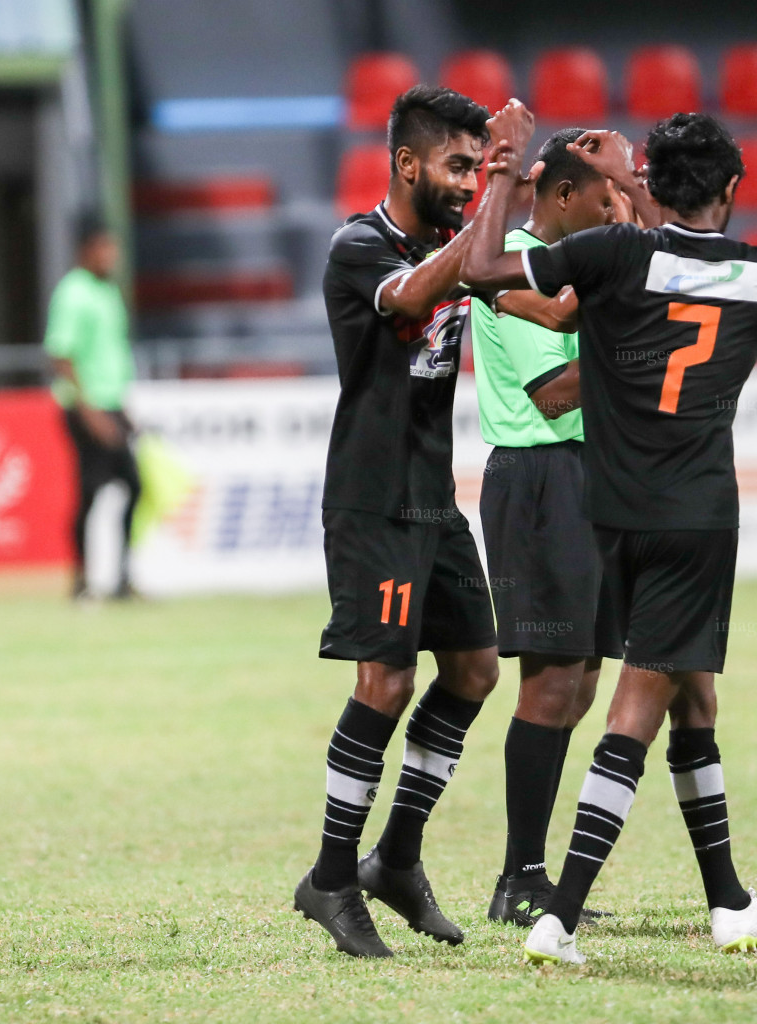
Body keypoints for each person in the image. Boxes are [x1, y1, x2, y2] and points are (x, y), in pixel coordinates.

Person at [464, 104, 757, 965]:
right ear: (732, 188)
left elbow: (483, 271)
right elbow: (684, 273)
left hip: (611, 511)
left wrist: (508, 167)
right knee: (634, 712)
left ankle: (729, 899)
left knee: (694, 698)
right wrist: (644, 203)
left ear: (647, 183)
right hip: (694, 518)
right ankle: (558, 916)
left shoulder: (616, 258)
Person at [293, 85, 506, 958]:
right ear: (407, 162)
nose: (466, 181)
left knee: (475, 670)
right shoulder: (360, 247)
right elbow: (416, 295)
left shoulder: (450, 244)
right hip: (373, 499)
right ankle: (332, 878)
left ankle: (399, 858)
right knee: (383, 683)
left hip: (433, 497)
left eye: (476, 166)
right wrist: (493, 203)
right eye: (457, 165)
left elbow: (518, 288)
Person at [468, 127, 628, 927]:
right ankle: (519, 877)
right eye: (608, 192)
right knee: (551, 681)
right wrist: (639, 350)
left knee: (583, 683)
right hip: (538, 478)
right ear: (564, 194)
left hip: (587, 479)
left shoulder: (574, 266)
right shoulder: (516, 262)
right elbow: (554, 394)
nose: (619, 204)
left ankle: (529, 874)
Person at [44, 212, 140, 600]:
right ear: (86, 249)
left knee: (133, 487)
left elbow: (111, 355)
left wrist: (123, 409)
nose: (112, 254)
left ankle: (121, 578)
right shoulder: (73, 292)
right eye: (105, 246)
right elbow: (62, 356)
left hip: (111, 403)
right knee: (91, 491)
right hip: (85, 407)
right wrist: (91, 413)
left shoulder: (108, 291)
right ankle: (82, 579)